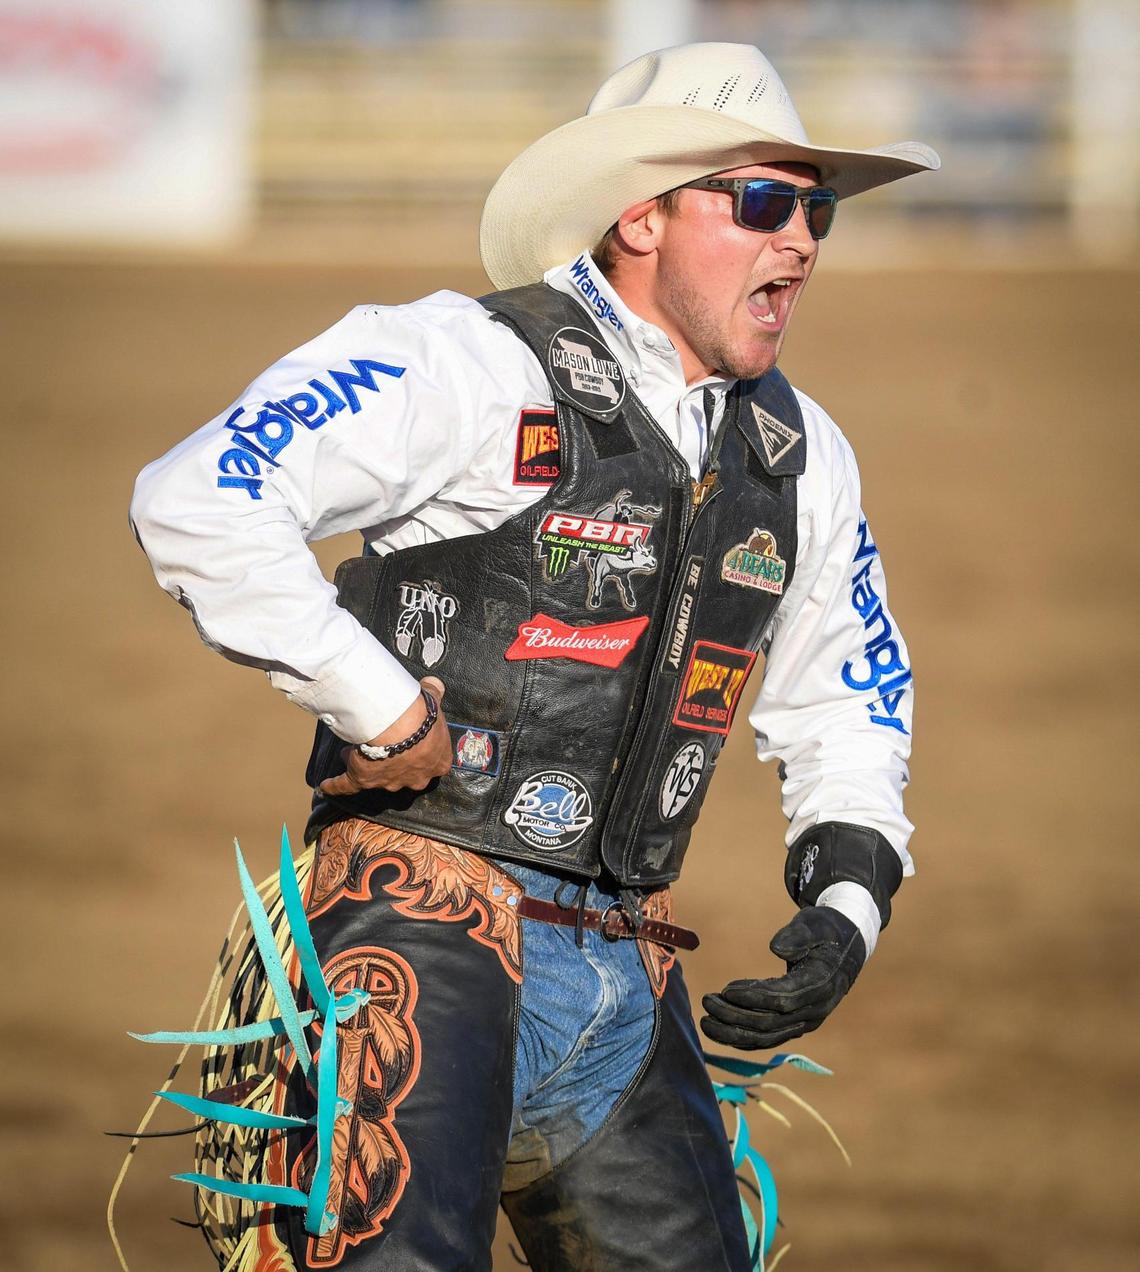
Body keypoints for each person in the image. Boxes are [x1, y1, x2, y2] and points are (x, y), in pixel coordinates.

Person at [130, 40, 938, 1272]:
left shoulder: (799, 449)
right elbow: (200, 498)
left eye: (814, 211)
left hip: (633, 969)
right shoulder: (464, 358)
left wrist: (848, 900)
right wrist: (378, 703)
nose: (801, 241)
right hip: (419, 940)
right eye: (762, 203)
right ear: (640, 216)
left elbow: (850, 684)